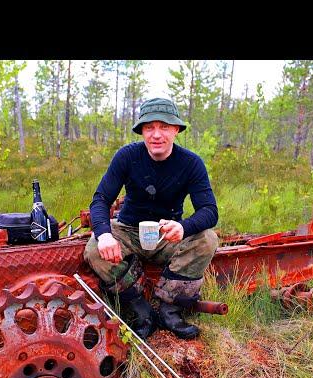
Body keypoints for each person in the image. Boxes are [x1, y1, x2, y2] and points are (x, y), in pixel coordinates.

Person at [83, 98, 219, 340]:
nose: (157, 135)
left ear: (176, 130)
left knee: (207, 240)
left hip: (167, 234)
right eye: (149, 127)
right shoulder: (127, 156)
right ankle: (141, 310)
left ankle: (169, 310)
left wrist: (183, 227)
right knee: (94, 249)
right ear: (142, 131)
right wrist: (104, 235)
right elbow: (100, 199)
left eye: (164, 127)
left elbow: (209, 211)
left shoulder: (191, 163)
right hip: (128, 229)